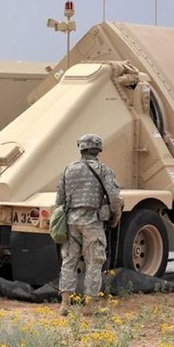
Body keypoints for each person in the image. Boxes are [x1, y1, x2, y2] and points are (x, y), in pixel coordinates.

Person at [57, 133, 122, 315]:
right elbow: (115, 197)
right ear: (98, 150)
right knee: (94, 262)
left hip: (71, 221)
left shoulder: (68, 169)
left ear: (81, 149)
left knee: (69, 261)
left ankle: (65, 305)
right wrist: (115, 215)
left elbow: (59, 199)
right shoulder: (102, 170)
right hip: (92, 222)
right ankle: (90, 306)